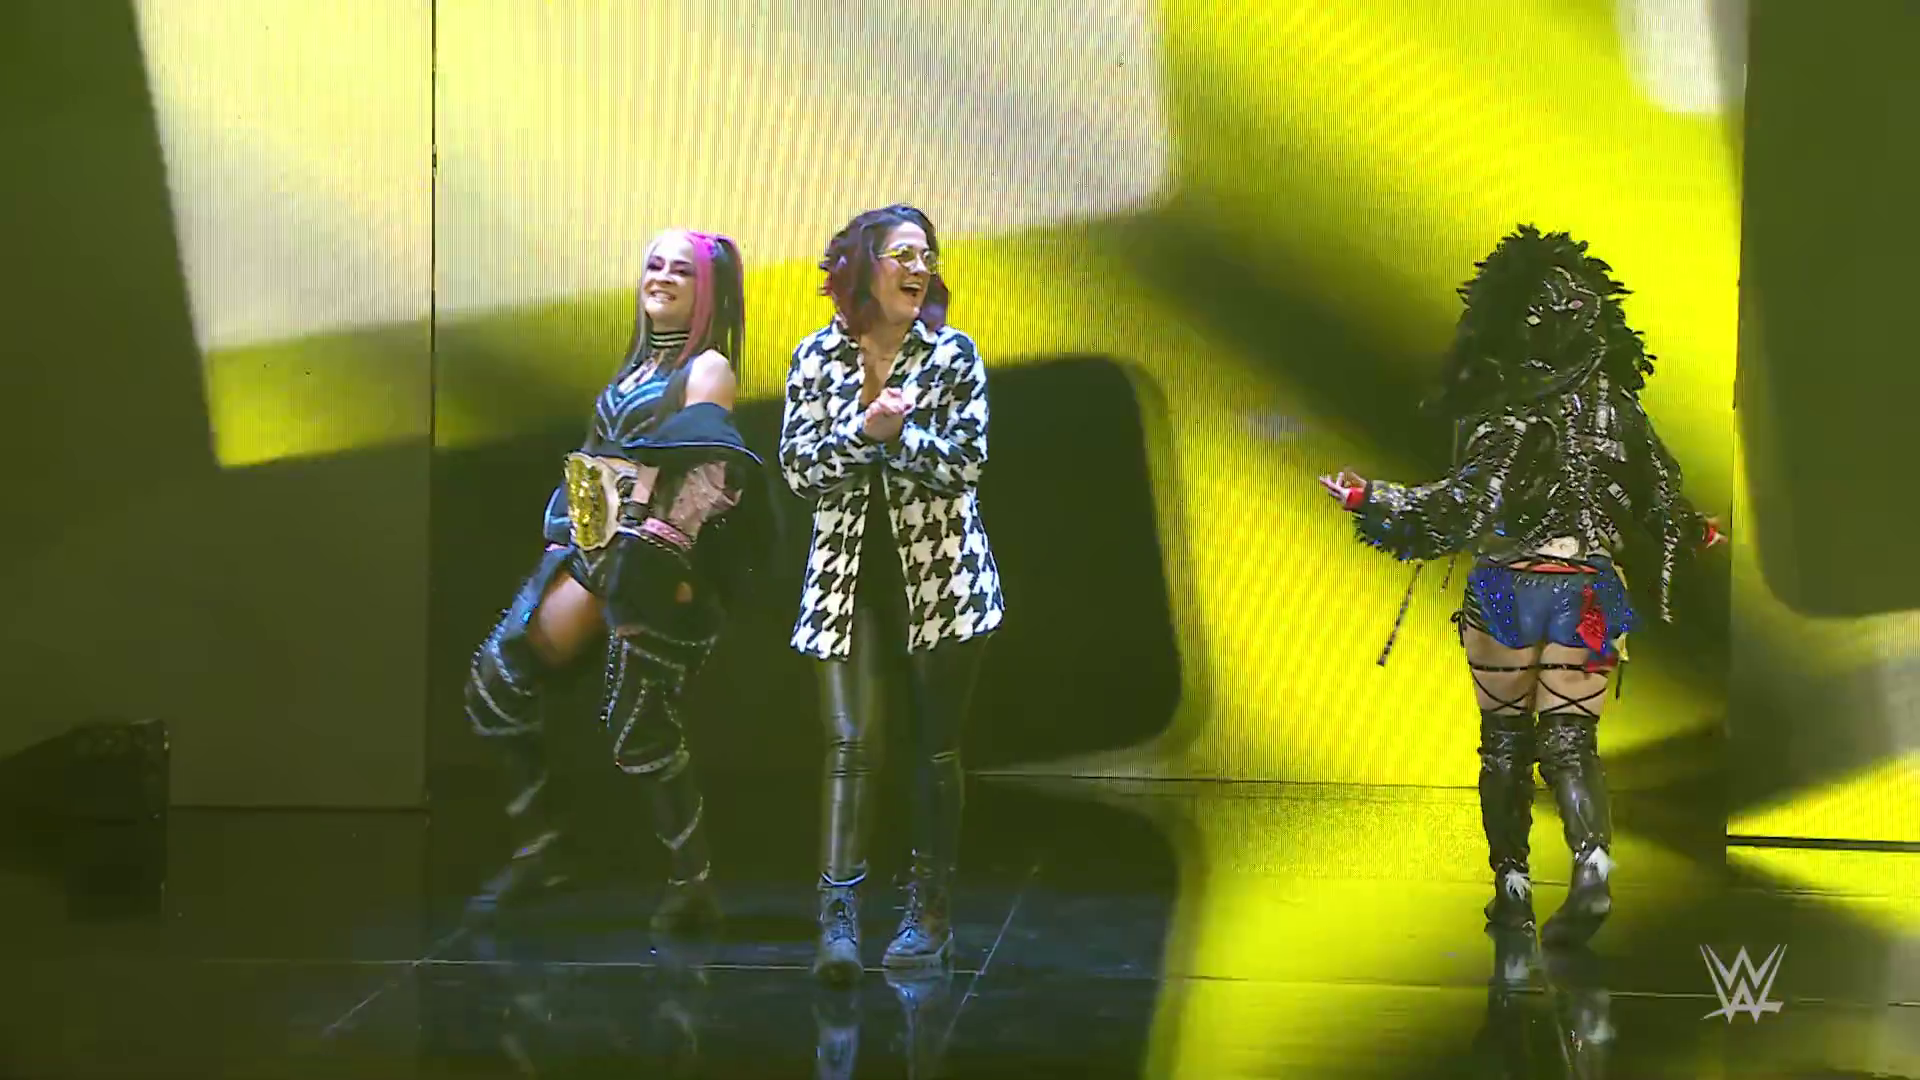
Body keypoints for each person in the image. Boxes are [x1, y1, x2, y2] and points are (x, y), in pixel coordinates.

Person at [1319, 225, 1725, 946]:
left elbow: (1463, 505)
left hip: (1508, 588)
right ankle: (1592, 862)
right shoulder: (1620, 410)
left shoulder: (1505, 407)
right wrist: (1699, 533)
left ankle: (1511, 888)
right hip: (1588, 590)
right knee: (1571, 740)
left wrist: (1369, 499)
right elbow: (1659, 500)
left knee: (1505, 744)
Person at [464, 228, 772, 934]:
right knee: (497, 681)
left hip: (656, 565)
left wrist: (662, 563)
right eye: (653, 265)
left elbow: (706, 475)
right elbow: (599, 462)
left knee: (639, 726)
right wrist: (574, 534)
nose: (660, 277)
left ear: (707, 291)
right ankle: (541, 849)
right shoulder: (635, 369)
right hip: (594, 553)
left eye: (679, 270)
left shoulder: (708, 369)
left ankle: (693, 883)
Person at [780, 204, 1005, 982]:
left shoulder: (952, 355)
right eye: (902, 254)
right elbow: (800, 468)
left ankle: (929, 912)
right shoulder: (815, 358)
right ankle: (837, 915)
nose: (918, 268)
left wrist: (901, 434)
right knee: (849, 743)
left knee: (934, 748)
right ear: (864, 267)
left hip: (944, 583)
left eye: (926, 255)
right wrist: (863, 434)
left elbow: (968, 462)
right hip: (845, 582)